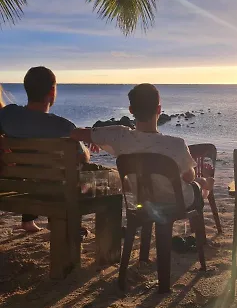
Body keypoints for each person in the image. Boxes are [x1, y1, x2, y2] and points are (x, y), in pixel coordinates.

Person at [70, 84, 213, 212]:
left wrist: (94, 138)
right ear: (159, 109)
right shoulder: (176, 144)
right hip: (180, 203)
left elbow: (75, 133)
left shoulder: (119, 136)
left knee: (198, 183)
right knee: (199, 184)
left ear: (131, 110)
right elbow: (188, 177)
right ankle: (207, 185)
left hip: (144, 202)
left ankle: (205, 183)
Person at [0, 67, 90, 232]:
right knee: (83, 175)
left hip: (16, 185)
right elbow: (83, 157)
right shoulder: (63, 126)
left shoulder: (8, 114)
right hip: (51, 190)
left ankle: (29, 221)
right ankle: (63, 223)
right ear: (52, 91)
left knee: (35, 168)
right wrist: (86, 144)